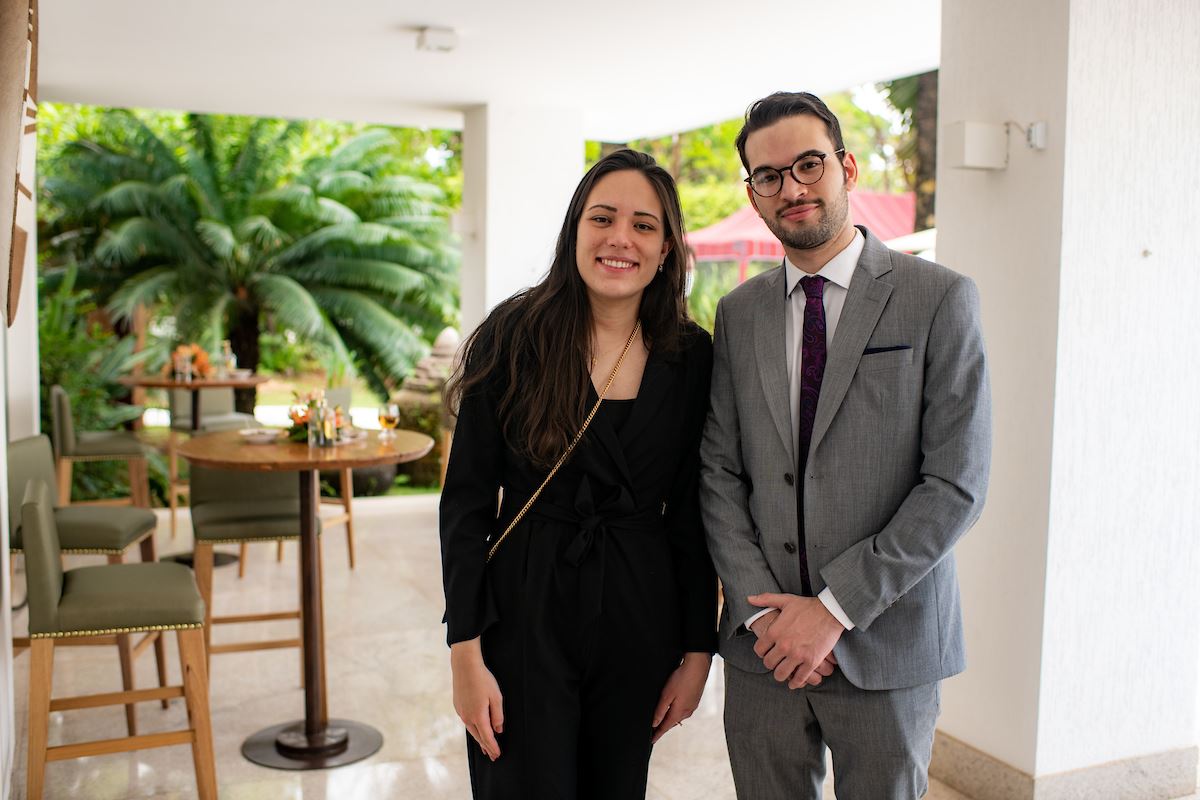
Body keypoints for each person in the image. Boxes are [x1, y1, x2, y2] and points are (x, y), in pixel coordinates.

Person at [700, 91, 991, 799]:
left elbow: (956, 483)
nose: (791, 188)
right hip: (762, 651)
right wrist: (768, 616)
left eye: (808, 165)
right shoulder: (738, 313)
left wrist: (832, 610)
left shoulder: (939, 297)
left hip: (887, 644)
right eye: (769, 176)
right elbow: (718, 470)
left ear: (847, 167)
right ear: (754, 193)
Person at [440, 149, 717, 800]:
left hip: (638, 611)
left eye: (644, 225)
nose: (621, 238)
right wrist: (464, 652)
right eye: (603, 218)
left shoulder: (690, 354)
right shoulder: (514, 335)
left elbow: (694, 513)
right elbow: (467, 505)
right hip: (523, 609)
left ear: (667, 247)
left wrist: (697, 655)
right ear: (575, 231)